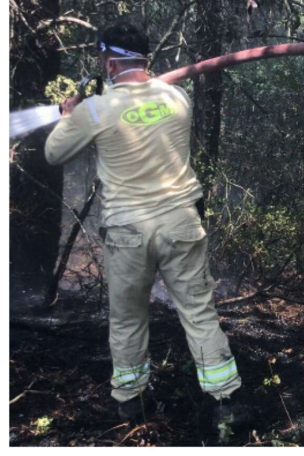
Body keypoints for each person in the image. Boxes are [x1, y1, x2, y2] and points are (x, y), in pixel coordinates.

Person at [44, 22, 244, 431]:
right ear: (146, 60)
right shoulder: (176, 97)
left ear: (109, 61)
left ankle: (131, 406)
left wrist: (68, 115)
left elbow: (53, 153)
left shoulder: (94, 110)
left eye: (103, 61)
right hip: (181, 222)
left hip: (127, 230)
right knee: (199, 314)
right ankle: (227, 404)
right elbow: (144, 108)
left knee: (127, 319)